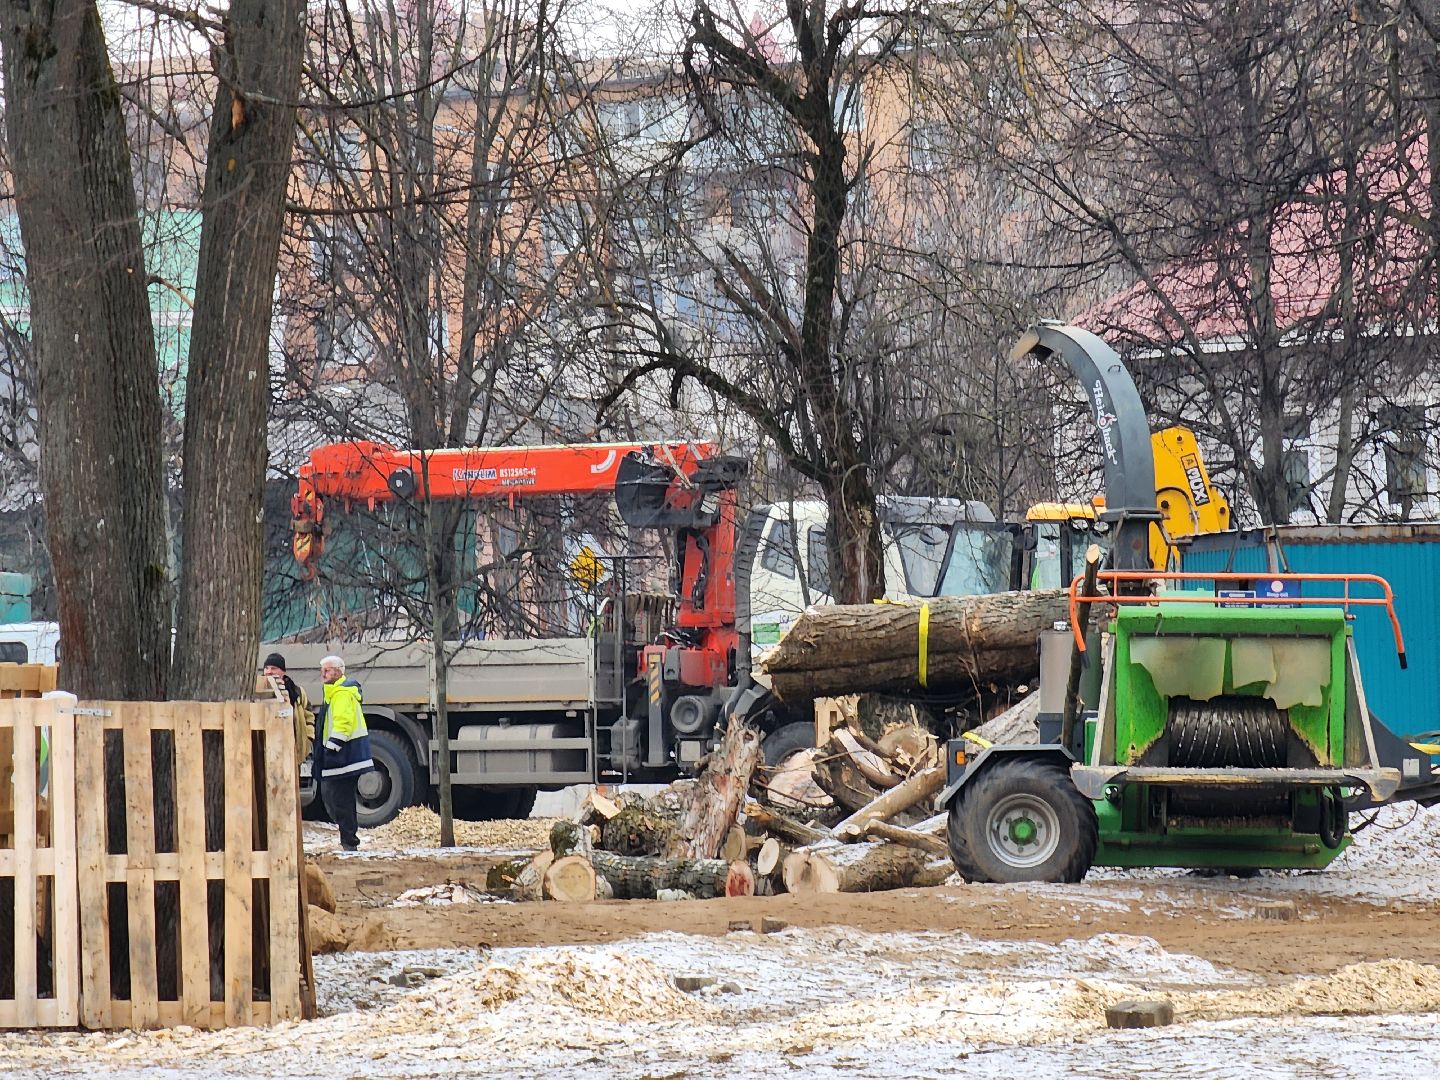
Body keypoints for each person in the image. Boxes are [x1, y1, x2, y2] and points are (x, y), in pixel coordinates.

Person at [318, 654, 373, 852]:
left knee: (341, 800)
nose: (323, 674)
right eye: (322, 669)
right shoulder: (335, 693)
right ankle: (348, 840)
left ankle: (349, 842)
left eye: (328, 670)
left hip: (342, 756)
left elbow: (343, 722)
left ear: (339, 671)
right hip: (344, 756)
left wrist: (332, 747)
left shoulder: (340, 694)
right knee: (341, 799)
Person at [263, 652, 315, 763]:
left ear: (283, 671)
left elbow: (309, 715)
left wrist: (309, 738)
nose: (269, 672)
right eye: (266, 668)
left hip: (294, 750)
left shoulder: (297, 692)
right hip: (267, 751)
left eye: (274, 668)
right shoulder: (258, 693)